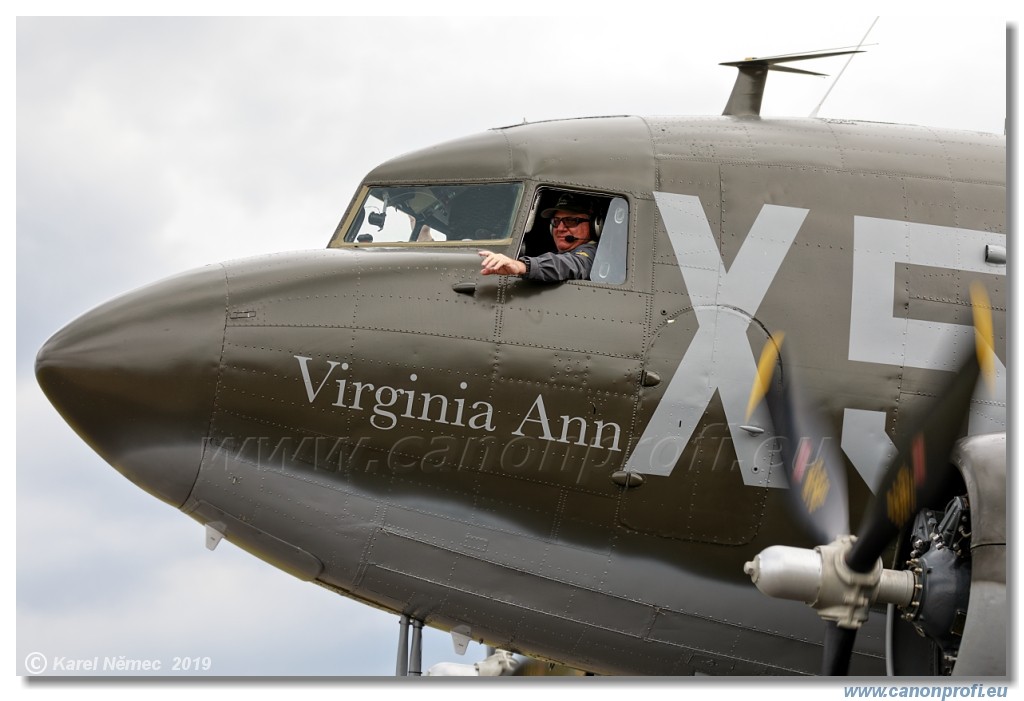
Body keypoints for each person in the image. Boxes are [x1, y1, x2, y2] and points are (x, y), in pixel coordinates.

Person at [479, 193, 598, 281]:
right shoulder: (556, 254)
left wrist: (522, 266)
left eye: (570, 221)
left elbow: (569, 265)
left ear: (594, 226)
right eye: (556, 221)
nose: (560, 228)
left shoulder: (593, 255)